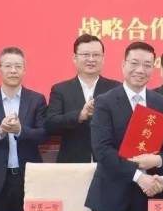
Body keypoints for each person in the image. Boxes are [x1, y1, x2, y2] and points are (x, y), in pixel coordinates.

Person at [84, 41, 163, 211]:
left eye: (147, 65)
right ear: (123, 65)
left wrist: (158, 160)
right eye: (134, 63)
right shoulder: (105, 102)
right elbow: (102, 150)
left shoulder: (162, 103)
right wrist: (139, 177)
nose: (140, 70)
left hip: (151, 195)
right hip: (111, 197)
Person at [0, 47, 48, 211]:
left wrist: (21, 130)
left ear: (24, 70)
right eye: (8, 66)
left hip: (28, 178)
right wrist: (0, 131)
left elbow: (43, 134)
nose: (13, 70)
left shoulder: (37, 100)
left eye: (18, 66)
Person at [45, 34, 119, 163]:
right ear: (75, 58)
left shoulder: (116, 89)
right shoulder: (60, 90)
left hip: (108, 164)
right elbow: (50, 124)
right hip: (72, 164)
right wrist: (80, 115)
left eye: (96, 55)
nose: (91, 59)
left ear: (103, 58)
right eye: (85, 55)